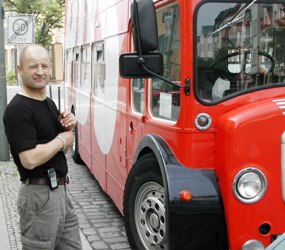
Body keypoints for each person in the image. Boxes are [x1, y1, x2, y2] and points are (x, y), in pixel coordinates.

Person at [3, 44, 82, 250]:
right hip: (39, 196)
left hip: (61, 192)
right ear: (20, 70)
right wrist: (62, 140)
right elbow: (29, 160)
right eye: (33, 67)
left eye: (44, 66)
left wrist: (68, 128)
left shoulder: (49, 103)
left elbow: (60, 151)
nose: (40, 72)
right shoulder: (18, 110)